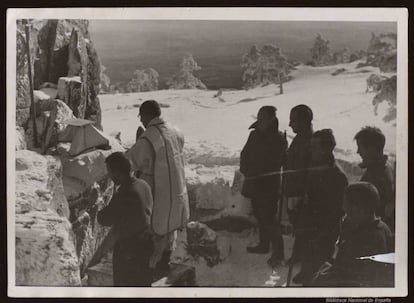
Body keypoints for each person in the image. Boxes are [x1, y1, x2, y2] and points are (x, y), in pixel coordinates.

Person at [126, 100, 190, 278]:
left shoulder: (149, 138)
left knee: (154, 229)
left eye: (141, 117)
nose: (141, 121)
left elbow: (130, 162)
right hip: (174, 187)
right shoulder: (176, 131)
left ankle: (151, 269)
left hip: (155, 191)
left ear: (146, 115)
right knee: (169, 229)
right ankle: (164, 263)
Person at [310, 182, 394, 287]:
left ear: (359, 208)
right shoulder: (382, 228)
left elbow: (341, 277)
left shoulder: (366, 239)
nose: (344, 208)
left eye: (347, 204)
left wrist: (336, 253)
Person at [292, 129, 348, 285]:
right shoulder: (315, 165)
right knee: (306, 253)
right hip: (309, 223)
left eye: (314, 147)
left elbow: (337, 211)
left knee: (317, 264)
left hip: (323, 230)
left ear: (325, 149)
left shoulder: (337, 176)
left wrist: (320, 232)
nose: (310, 150)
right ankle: (305, 272)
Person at [240, 106, 288, 267]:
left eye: (263, 118)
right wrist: (246, 169)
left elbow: (277, 162)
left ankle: (279, 253)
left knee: (269, 218)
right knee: (260, 215)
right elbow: (244, 154)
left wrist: (259, 171)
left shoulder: (279, 138)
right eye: (258, 117)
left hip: (268, 185)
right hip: (254, 182)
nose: (259, 121)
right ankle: (263, 244)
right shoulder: (254, 134)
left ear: (271, 120)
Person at [97, 152, 154, 286]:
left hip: (129, 249)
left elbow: (104, 219)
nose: (109, 176)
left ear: (116, 172)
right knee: (143, 284)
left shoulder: (125, 193)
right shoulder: (143, 184)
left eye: (110, 172)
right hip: (147, 243)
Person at [284, 104, 314, 264]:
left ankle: (303, 260)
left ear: (303, 121)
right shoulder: (301, 138)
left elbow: (307, 171)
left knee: (303, 228)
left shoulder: (309, 142)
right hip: (294, 191)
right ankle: (300, 256)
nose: (290, 124)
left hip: (300, 193)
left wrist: (302, 195)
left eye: (293, 120)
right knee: (299, 226)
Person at [354, 126, 395, 232]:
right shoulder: (384, 168)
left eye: (360, 147)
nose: (358, 152)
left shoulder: (378, 175)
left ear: (372, 149)